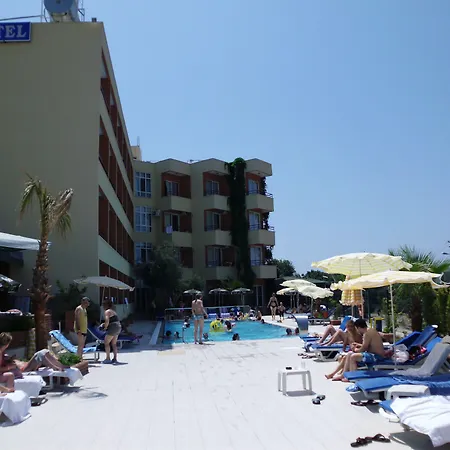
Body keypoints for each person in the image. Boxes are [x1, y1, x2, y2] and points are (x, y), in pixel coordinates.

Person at [0, 332, 74, 392]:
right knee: (41, 354)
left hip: (24, 365)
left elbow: (6, 362)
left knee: (44, 352)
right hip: (24, 368)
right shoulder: (1, 354)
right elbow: (4, 367)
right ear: (7, 344)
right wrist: (10, 366)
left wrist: (11, 359)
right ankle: (57, 367)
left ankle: (59, 366)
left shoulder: (3, 353)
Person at [101, 299, 122, 364]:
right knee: (114, 344)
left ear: (107, 305)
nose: (103, 306)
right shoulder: (113, 311)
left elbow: (107, 320)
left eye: (104, 305)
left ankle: (108, 358)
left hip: (113, 327)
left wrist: (105, 327)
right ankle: (115, 358)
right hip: (118, 326)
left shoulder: (107, 311)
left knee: (106, 343)